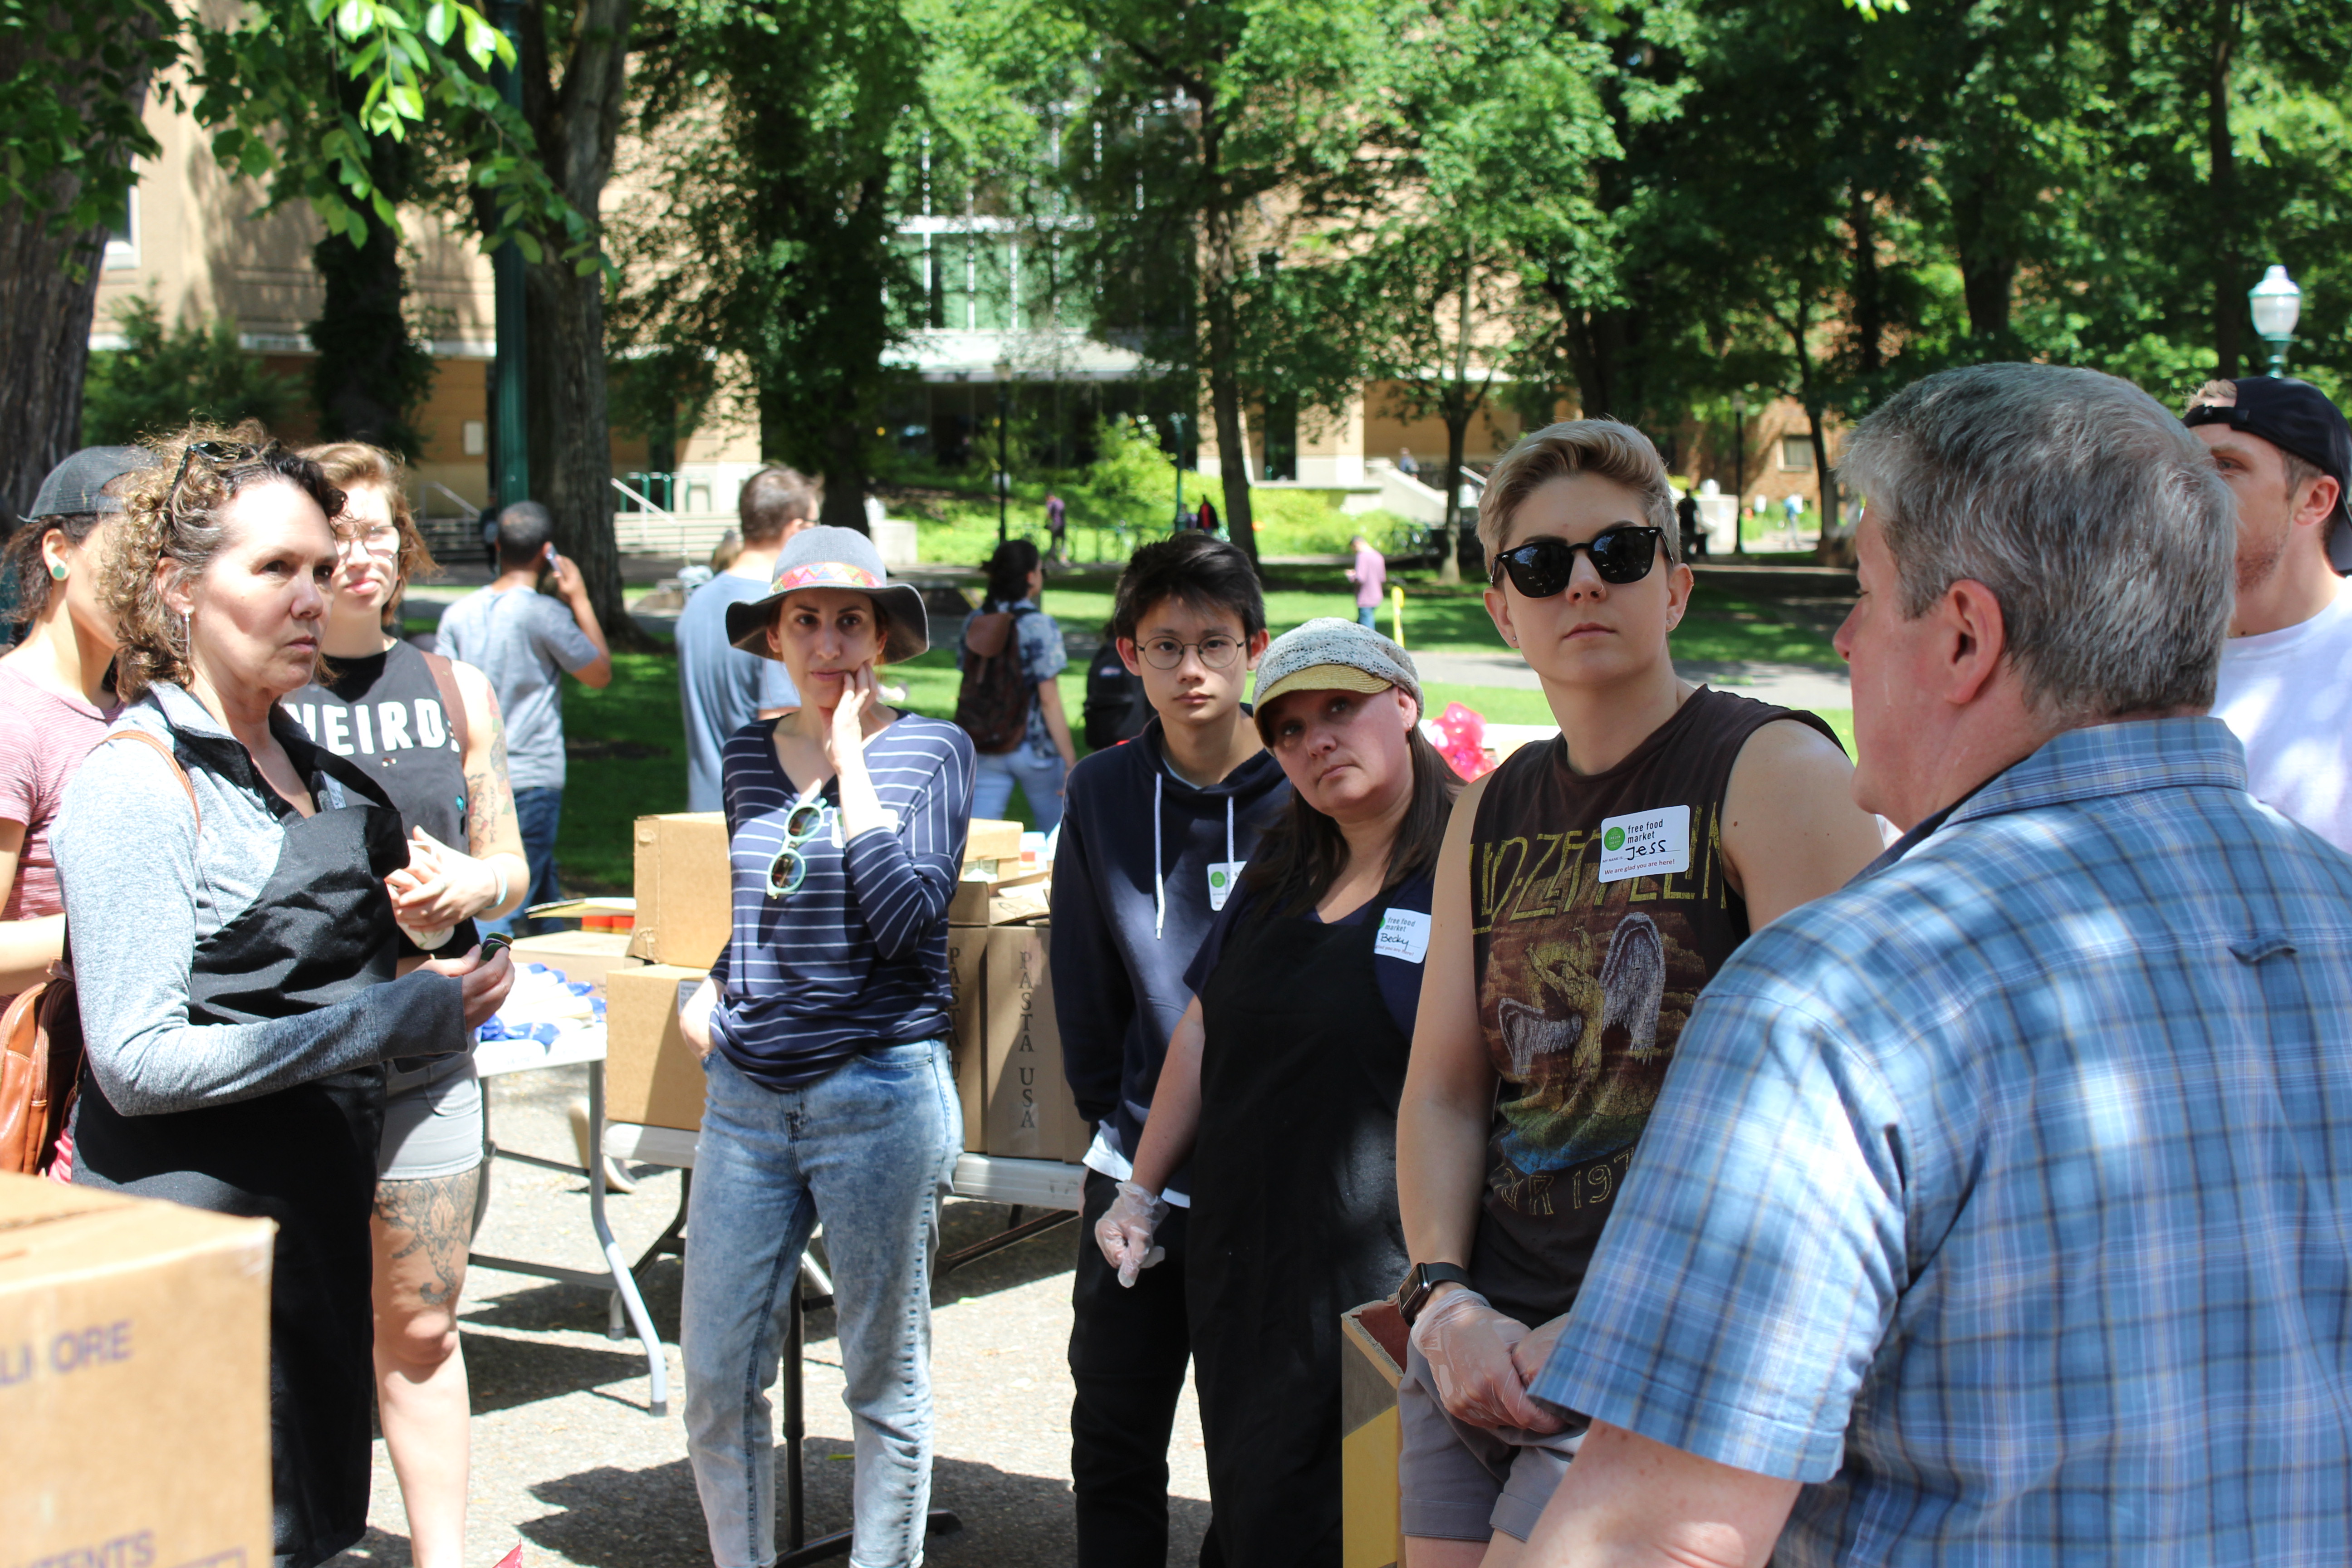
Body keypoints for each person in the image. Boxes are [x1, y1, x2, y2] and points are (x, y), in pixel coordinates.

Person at [1514, 361, 2352, 1565]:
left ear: (1964, 635)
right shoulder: (2335, 911)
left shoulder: (1839, 999)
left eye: (1862, 592)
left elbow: (1657, 1542)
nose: (1845, 639)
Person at [1392, 418, 1883, 1567]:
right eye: (1538, 563)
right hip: (1483, 1334)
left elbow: (1845, 1118)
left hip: (1668, 1352)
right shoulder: (1489, 803)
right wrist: (1444, 1294)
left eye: (1618, 552)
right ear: (1501, 608)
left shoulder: (1770, 768)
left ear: (1674, 584)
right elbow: (1445, 1088)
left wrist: (1614, 1326)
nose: (1580, 583)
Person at [54, 427, 512, 1568]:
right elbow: (135, 1058)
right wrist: (391, 1016)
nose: (313, 595)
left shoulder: (313, 769)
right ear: (175, 587)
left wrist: (429, 939)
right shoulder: (137, 782)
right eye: (274, 570)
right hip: (192, 1277)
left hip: (303, 1258)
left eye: (321, 568)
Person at [1097, 619, 1463, 1566]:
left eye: (1340, 709)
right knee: (1258, 1520)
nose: (1315, 742)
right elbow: (1203, 1028)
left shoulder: (1470, 866)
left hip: (1382, 1294)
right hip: (1246, 1280)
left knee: (1371, 1534)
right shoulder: (1280, 869)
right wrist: (1141, 1188)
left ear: (1405, 704)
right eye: (1289, 729)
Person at [676, 526, 972, 1568]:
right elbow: (764, 903)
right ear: (775, 637)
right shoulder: (749, 751)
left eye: (852, 620)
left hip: (879, 1092)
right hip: (746, 1100)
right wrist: (706, 979)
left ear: (883, 636)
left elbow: (903, 920)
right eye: (806, 620)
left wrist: (849, 758)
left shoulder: (931, 750)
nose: (829, 642)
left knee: (878, 1379)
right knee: (714, 1376)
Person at [289, 441, 529, 1568]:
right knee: (298, 1323)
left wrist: (480, 886)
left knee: (425, 1325)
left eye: (379, 529)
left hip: (433, 1056)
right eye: (336, 531)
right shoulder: (258, 689)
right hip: (295, 1060)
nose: (359, 553)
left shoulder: (451, 686)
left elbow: (511, 862)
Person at [1050, 532, 1290, 1567]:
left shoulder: (1305, 791)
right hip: (1132, 1183)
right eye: (1163, 645)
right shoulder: (1100, 795)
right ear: (1125, 653)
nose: (1190, 669)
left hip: (1268, 1192)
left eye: (1213, 643)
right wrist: (1124, 1120)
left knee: (1260, 1458)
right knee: (1111, 1441)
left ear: (1253, 648)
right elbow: (1082, 982)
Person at [0, 447, 150, 1011]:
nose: (148, 582)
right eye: (129, 555)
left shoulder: (144, 708)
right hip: (38, 1083)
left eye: (162, 561)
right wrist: (145, 931)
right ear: (59, 552)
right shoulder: (11, 716)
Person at [2182, 376, 2352, 852]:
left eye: (2227, 466)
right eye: (2184, 469)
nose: (2192, 491)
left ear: (2314, 500)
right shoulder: (2130, 663)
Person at [435, 500, 612, 934]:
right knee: (504, 907)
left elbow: (441, 696)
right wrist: (580, 598)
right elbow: (599, 673)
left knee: (540, 893)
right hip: (533, 774)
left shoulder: (457, 615)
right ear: (546, 553)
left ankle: (564, 970)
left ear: (496, 545)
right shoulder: (544, 613)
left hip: (474, 775)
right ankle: (490, 983)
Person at [679, 467, 816, 811]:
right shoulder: (782, 614)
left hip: (705, 812)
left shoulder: (698, 602)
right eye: (815, 525)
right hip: (763, 821)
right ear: (796, 529)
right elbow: (787, 729)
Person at [957, 538, 1078, 831]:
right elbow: (1048, 699)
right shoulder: (1039, 625)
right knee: (1060, 836)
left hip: (986, 744)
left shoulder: (976, 620)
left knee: (980, 838)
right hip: (1034, 749)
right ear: (1029, 577)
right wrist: (1070, 759)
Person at [1347, 533, 1387, 628]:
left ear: (1357, 544)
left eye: (1353, 548)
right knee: (1359, 625)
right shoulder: (1378, 556)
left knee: (1367, 629)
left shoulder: (1362, 556)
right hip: (1377, 595)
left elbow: (1361, 578)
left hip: (1366, 597)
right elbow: (1383, 578)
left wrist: (1351, 576)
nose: (1354, 552)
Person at [1047, 490, 1068, 563]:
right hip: (1063, 524)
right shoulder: (1060, 502)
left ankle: (1052, 558)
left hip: (1056, 524)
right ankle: (1064, 558)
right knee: (1063, 542)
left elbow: (1049, 515)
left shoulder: (1050, 504)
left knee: (1054, 541)